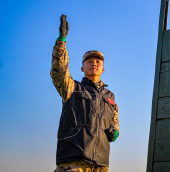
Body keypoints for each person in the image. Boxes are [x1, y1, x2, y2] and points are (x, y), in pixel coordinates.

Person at [51, 14, 119, 172]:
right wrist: (61, 42)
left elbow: (114, 121)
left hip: (101, 165)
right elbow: (59, 71)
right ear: (82, 68)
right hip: (74, 161)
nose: (94, 64)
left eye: (98, 62)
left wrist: (115, 130)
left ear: (103, 68)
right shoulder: (72, 88)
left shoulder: (110, 97)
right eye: (89, 61)